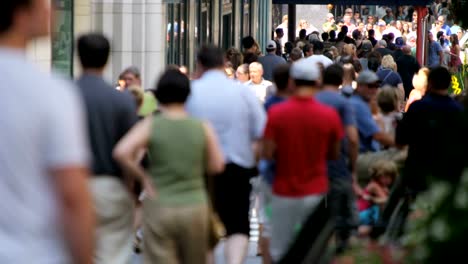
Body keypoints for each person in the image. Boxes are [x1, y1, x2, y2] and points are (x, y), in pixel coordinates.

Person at [0, 0, 94, 263]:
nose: (52, 11)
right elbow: (72, 195)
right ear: (21, 14)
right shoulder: (50, 92)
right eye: (44, 5)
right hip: (34, 252)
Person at [114, 69, 225, 264]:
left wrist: (143, 177)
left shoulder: (152, 124)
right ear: (187, 94)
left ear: (160, 94)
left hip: (160, 204)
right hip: (194, 204)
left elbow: (121, 152)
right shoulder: (201, 126)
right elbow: (217, 165)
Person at [186, 45, 266, 264]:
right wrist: (255, 161)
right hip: (238, 166)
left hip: (198, 168)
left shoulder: (190, 93)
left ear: (199, 65)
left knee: (203, 227)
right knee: (238, 225)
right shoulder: (242, 92)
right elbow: (262, 132)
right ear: (224, 64)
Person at [261, 58, 343, 262]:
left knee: (281, 249)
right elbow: (334, 154)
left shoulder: (276, 114)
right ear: (317, 83)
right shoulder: (329, 115)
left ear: (291, 83)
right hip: (317, 191)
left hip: (284, 190)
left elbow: (268, 153)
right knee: (315, 250)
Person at [76, 33, 139, 264]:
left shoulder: (64, 96)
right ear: (107, 58)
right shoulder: (121, 101)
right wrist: (131, 191)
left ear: (78, 57)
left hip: (73, 185)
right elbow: (131, 151)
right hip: (111, 186)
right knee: (112, 253)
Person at [396, 67, 465, 194]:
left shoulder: (417, 107)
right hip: (446, 175)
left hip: (417, 172)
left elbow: (400, 139)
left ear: (430, 82)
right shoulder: (458, 111)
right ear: (449, 84)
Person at [316, 64, 360, 253]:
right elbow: (352, 138)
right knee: (343, 213)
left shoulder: (313, 100)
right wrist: (353, 166)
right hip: (337, 163)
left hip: (314, 164)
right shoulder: (344, 103)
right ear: (341, 80)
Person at [258, 64, 291, 264]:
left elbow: (262, 140)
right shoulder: (293, 106)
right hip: (290, 173)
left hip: (270, 173)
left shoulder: (268, 105)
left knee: (268, 222)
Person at [350, 71, 395, 153]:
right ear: (359, 86)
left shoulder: (363, 103)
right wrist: (401, 144)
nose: (374, 89)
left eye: (376, 86)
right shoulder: (358, 105)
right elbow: (378, 136)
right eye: (370, 86)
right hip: (362, 154)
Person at [357, 160, 397, 229]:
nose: (388, 179)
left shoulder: (383, 187)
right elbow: (387, 200)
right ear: (377, 176)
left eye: (390, 177)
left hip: (366, 214)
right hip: (362, 213)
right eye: (385, 176)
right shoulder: (374, 186)